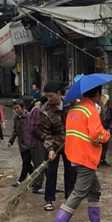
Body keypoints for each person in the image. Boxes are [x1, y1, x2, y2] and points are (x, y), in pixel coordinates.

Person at [48, 85, 110, 222]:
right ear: (97, 94)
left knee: (95, 189)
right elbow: (96, 135)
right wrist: (106, 135)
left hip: (74, 155)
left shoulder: (75, 109)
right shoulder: (90, 110)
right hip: (86, 157)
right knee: (79, 193)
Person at [41, 81, 75, 212]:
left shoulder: (71, 104)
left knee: (70, 171)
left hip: (69, 144)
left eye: (51, 96)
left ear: (58, 94)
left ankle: (70, 198)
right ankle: (49, 199)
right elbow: (45, 132)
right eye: (47, 96)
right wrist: (50, 149)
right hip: (54, 145)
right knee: (51, 172)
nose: (49, 99)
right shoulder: (45, 110)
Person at [26, 95, 49, 194]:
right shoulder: (37, 111)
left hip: (44, 143)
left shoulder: (44, 110)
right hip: (37, 143)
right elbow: (34, 129)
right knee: (39, 165)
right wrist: (46, 136)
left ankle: (51, 184)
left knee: (48, 165)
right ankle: (37, 186)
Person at [8, 99, 32, 187]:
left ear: (23, 107)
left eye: (18, 108)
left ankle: (21, 181)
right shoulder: (16, 118)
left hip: (30, 145)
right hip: (21, 145)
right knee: (27, 164)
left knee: (25, 163)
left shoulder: (29, 116)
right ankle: (35, 178)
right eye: (15, 108)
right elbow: (15, 131)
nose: (16, 110)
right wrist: (11, 141)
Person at [99, 96, 112, 166]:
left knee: (105, 145)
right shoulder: (98, 108)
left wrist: (109, 128)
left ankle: (102, 159)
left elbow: (111, 119)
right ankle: (98, 159)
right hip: (99, 129)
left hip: (106, 129)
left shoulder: (110, 108)